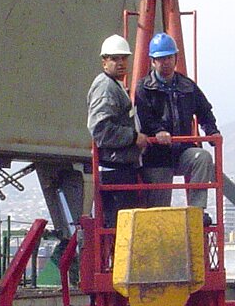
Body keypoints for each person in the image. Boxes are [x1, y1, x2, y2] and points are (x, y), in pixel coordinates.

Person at [135, 32, 219, 213]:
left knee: (202, 158)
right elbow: (144, 116)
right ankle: (159, 230)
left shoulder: (187, 86)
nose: (165, 62)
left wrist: (211, 132)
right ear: (152, 61)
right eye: (161, 58)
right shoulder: (144, 88)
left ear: (175, 58)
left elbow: (204, 111)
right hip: (156, 155)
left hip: (182, 150)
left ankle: (197, 212)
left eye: (169, 57)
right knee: (158, 206)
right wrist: (158, 131)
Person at [86, 34, 149, 226]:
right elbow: (100, 130)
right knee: (119, 227)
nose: (120, 63)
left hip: (119, 168)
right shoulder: (106, 88)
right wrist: (133, 137)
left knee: (121, 228)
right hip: (114, 171)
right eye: (114, 58)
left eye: (123, 58)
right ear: (104, 62)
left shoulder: (114, 85)